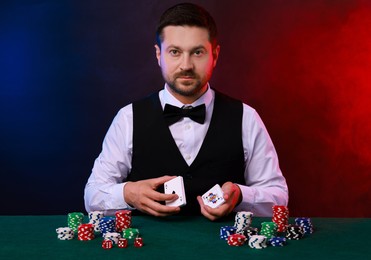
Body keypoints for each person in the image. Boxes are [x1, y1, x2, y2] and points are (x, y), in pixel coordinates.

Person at [84, 3, 288, 221]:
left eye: (197, 52)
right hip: (147, 252)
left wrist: (240, 195)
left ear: (215, 55)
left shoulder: (246, 118)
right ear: (158, 55)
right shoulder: (128, 118)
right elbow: (92, 196)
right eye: (175, 52)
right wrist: (127, 194)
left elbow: (279, 197)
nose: (186, 65)